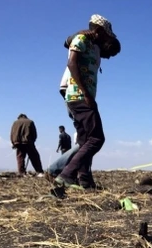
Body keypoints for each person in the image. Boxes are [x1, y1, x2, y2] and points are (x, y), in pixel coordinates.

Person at [54, 14, 118, 189]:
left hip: (82, 96)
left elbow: (112, 49)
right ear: (98, 31)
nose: (107, 41)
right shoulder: (81, 38)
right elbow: (72, 63)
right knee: (97, 138)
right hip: (79, 96)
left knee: (84, 141)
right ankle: (65, 175)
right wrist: (86, 94)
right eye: (106, 36)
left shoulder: (95, 46)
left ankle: (85, 180)